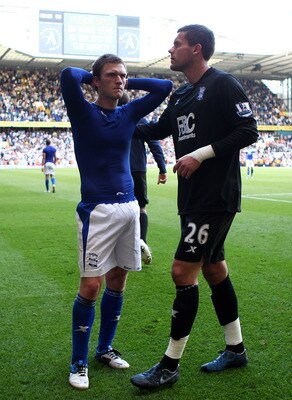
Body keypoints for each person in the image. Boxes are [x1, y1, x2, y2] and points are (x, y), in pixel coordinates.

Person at [130, 24, 258, 389]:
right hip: (192, 198)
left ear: (196, 49)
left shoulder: (222, 83)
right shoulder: (182, 95)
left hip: (215, 197)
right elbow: (157, 130)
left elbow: (249, 129)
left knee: (181, 272)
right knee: (214, 269)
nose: (171, 49)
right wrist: (116, 120)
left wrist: (200, 155)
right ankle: (236, 349)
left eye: (177, 44)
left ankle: (169, 365)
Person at [60, 54, 172, 390]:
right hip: (96, 210)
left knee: (119, 280)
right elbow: (68, 74)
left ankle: (104, 349)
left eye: (123, 76)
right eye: (112, 76)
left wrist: (126, 80)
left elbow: (164, 86)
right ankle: (78, 362)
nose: (120, 81)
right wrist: (97, 75)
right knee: (91, 286)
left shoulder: (128, 112)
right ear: (95, 81)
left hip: (129, 208)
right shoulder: (83, 112)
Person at [118, 92, 168, 265]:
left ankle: (120, 246)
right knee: (141, 207)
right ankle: (141, 241)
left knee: (117, 206)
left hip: (117, 170)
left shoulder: (110, 119)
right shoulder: (140, 120)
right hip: (138, 169)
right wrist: (162, 168)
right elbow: (155, 144)